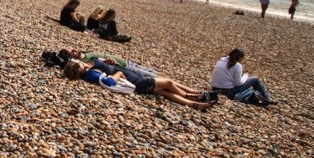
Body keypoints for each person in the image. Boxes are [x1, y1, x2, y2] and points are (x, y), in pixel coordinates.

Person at [63, 60, 217, 111]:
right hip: (138, 83)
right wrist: (119, 74)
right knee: (168, 83)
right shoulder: (91, 74)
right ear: (80, 69)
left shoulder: (89, 73)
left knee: (164, 92)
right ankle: (192, 95)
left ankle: (194, 104)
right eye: (81, 64)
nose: (84, 64)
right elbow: (109, 82)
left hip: (137, 83)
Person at [211, 48, 276, 106]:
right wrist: (245, 76)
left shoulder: (221, 60)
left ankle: (260, 97)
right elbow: (238, 83)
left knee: (249, 88)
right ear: (239, 57)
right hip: (228, 92)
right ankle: (267, 99)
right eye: (242, 58)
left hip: (215, 89)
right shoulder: (237, 65)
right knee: (255, 79)